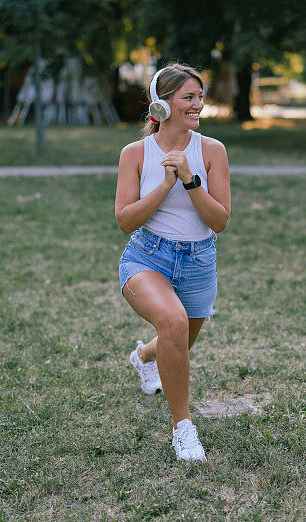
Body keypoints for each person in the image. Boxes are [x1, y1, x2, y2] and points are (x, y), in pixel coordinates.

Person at [114, 63, 231, 462]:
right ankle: (184, 429)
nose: (198, 104)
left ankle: (144, 356)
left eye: (200, 96)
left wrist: (189, 179)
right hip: (148, 257)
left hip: (199, 260)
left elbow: (220, 220)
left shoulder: (212, 151)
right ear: (161, 105)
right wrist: (164, 184)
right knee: (173, 324)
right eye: (188, 97)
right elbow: (125, 220)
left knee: (178, 340)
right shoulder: (136, 154)